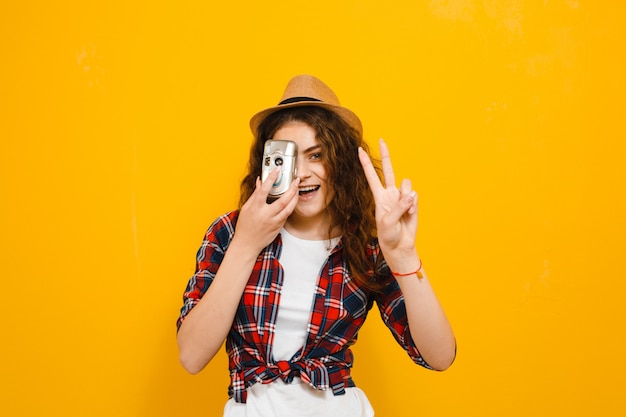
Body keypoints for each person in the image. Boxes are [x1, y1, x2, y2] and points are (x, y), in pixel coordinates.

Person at [176, 74, 456, 416]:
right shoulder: (229, 232)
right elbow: (191, 356)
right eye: (289, 158)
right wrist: (247, 244)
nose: (303, 173)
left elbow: (439, 356)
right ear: (268, 162)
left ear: (340, 162)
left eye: (317, 155)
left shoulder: (366, 246)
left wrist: (403, 256)